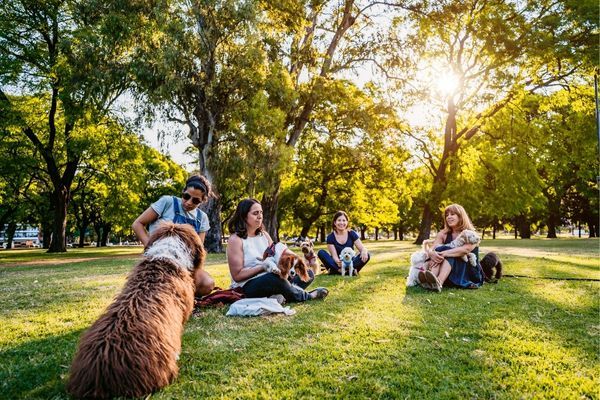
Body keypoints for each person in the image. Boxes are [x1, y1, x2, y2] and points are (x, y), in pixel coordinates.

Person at [226, 198, 328, 303]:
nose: (260, 216)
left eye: (261, 212)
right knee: (274, 279)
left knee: (308, 273)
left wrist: (290, 264)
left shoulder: (264, 235)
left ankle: (282, 294)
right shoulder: (235, 240)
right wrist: (263, 267)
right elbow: (237, 276)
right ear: (243, 216)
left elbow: (275, 255)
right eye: (255, 213)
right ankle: (306, 296)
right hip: (247, 286)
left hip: (271, 279)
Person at [132, 174, 215, 296]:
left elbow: (198, 249)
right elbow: (137, 224)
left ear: (203, 201)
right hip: (160, 258)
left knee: (207, 284)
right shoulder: (167, 202)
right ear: (183, 191)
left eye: (195, 200)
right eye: (186, 196)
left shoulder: (202, 218)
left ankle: (182, 295)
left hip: (183, 264)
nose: (188, 202)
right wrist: (150, 247)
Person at [421, 204, 484, 292]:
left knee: (447, 251)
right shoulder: (443, 234)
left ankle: (438, 282)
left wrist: (442, 253)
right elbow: (433, 248)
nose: (449, 217)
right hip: (448, 271)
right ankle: (432, 280)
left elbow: (464, 250)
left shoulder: (470, 234)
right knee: (439, 251)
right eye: (447, 215)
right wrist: (432, 253)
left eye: (452, 214)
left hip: (467, 272)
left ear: (461, 216)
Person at [317, 211, 370, 275]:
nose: (341, 223)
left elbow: (362, 248)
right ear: (335, 222)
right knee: (321, 252)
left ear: (347, 222)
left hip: (351, 262)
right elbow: (334, 256)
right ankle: (343, 271)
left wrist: (364, 251)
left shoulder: (352, 233)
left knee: (367, 254)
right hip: (338, 263)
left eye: (344, 220)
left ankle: (338, 271)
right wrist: (339, 262)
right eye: (339, 220)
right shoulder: (330, 237)